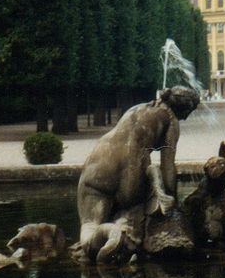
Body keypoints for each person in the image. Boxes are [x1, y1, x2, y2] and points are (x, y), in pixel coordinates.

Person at [75, 86, 201, 263]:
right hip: (129, 176)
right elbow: (168, 166)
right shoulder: (171, 120)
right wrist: (172, 199)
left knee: (89, 225)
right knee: (153, 178)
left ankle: (100, 240)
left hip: (97, 166)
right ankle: (121, 237)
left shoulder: (139, 107)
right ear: (186, 108)